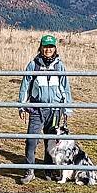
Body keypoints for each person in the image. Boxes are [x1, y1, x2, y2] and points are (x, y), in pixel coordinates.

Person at [18, 34, 73, 184]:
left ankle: (49, 170)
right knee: (31, 140)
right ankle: (29, 171)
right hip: (37, 109)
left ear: (55, 48)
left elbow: (65, 88)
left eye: (51, 46)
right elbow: (25, 86)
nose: (48, 49)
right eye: (45, 46)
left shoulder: (59, 66)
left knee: (51, 141)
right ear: (41, 47)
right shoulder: (33, 65)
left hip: (55, 109)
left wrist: (67, 108)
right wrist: (22, 106)